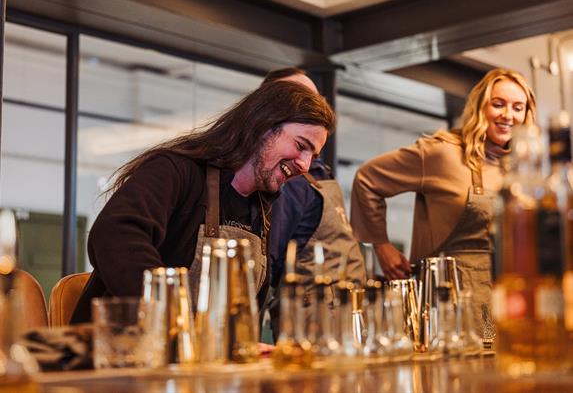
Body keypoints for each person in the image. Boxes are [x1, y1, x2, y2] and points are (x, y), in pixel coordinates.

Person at [70, 80, 336, 323]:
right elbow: (115, 233)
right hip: (123, 357)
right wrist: (172, 318)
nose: (305, 164)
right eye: (301, 145)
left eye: (313, 155)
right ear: (262, 126)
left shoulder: (261, 211)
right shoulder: (176, 171)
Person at [350, 68, 536, 337]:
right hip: (448, 303)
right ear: (480, 106)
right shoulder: (442, 153)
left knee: (505, 370)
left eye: (518, 107)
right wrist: (382, 246)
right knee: (455, 375)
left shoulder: (522, 169)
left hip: (504, 302)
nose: (508, 115)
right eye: (498, 104)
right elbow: (367, 179)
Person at [261, 68, 366, 339]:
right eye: (300, 99)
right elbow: (269, 261)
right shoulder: (287, 178)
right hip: (313, 326)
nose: (314, 107)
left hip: (345, 316)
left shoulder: (317, 171)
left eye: (314, 99)